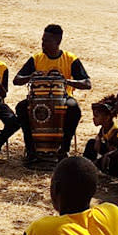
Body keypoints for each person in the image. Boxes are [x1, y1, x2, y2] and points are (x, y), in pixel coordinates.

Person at [13, 24, 92, 162]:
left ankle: (63, 149)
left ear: (58, 41)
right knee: (21, 108)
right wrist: (31, 76)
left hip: (62, 97)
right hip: (38, 97)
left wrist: (66, 81)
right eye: (42, 40)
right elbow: (16, 80)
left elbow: (87, 84)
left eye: (47, 41)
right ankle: (31, 151)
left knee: (74, 109)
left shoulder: (70, 58)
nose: (42, 43)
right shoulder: (36, 58)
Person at [82, 95, 118, 165]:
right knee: (91, 143)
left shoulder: (114, 131)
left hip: (113, 156)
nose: (93, 118)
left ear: (107, 118)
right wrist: (98, 139)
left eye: (96, 116)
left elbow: (113, 151)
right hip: (106, 151)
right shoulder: (103, 128)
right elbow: (98, 139)